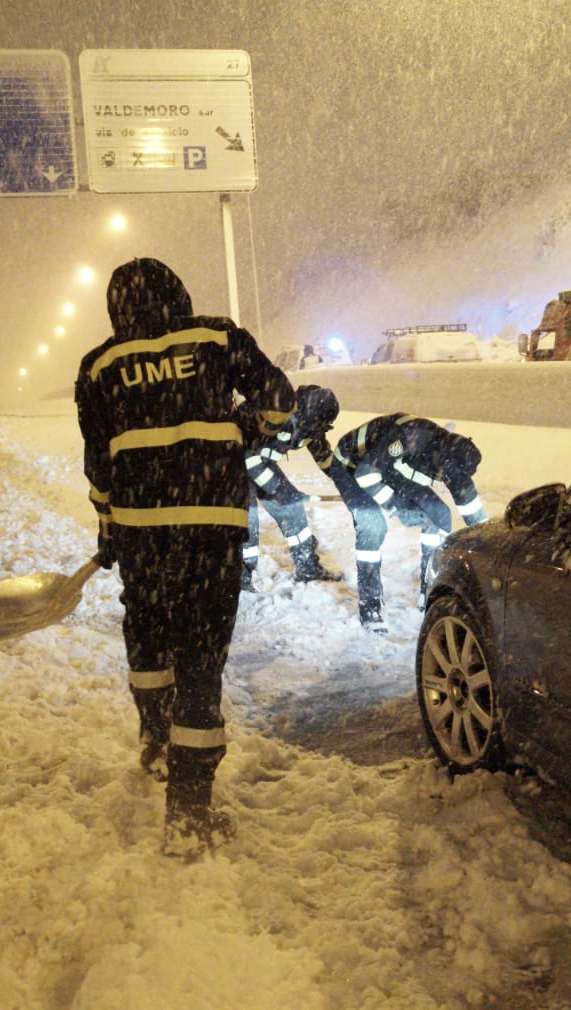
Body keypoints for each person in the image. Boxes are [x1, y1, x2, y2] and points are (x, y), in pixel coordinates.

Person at [75, 257, 295, 857]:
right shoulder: (218, 335)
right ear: (179, 294)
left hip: (142, 531)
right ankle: (190, 814)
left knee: (148, 636)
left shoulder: (98, 365)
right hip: (210, 524)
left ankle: (154, 741)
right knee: (200, 658)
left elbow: (100, 466)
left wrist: (108, 524)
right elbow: (279, 399)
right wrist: (239, 431)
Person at [299, 405, 487, 632]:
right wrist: (397, 507)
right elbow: (366, 474)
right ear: (441, 460)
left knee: (439, 515)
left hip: (389, 468)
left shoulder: (453, 459)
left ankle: (429, 592)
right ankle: (370, 605)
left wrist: (488, 541)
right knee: (373, 525)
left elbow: (472, 511)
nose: (442, 479)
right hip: (352, 465)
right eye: (441, 475)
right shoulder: (409, 437)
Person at [239, 386, 340, 589]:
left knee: (292, 507)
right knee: (246, 522)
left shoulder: (311, 424)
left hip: (261, 459)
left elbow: (324, 458)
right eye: (316, 425)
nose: (316, 431)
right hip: (235, 460)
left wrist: (348, 484)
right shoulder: (275, 413)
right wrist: (278, 488)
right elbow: (248, 457)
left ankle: (308, 568)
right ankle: (239, 578)